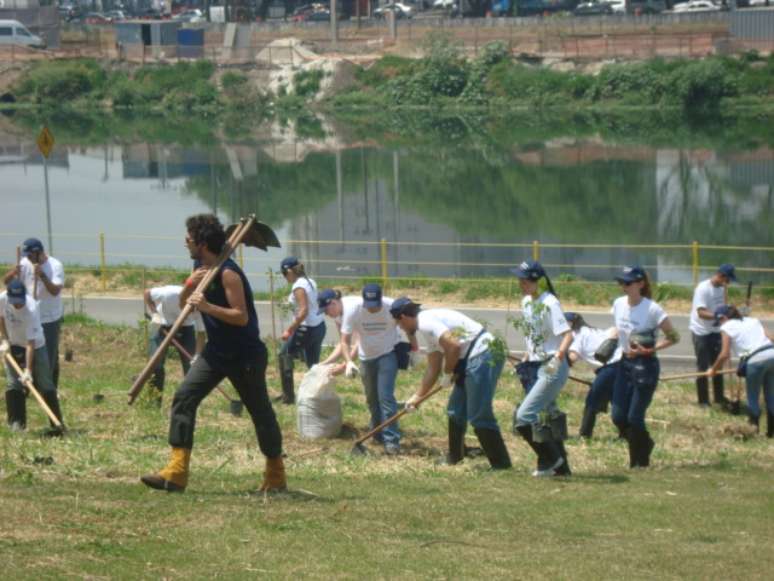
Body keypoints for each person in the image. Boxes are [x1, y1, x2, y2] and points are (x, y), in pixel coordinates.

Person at [141, 214, 285, 493]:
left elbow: (241, 317)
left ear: (203, 243)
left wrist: (208, 308)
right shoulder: (200, 266)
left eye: (189, 239)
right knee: (184, 396)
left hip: (244, 354)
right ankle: (177, 472)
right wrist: (189, 286)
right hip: (216, 352)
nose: (185, 243)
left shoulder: (229, 273)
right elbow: (186, 304)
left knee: (259, 411)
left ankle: (276, 473)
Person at [391, 298, 512, 470]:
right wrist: (417, 397)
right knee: (455, 411)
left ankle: (501, 464)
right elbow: (433, 368)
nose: (401, 328)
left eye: (399, 323)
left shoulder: (426, 321)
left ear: (403, 317)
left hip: (483, 354)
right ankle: (456, 455)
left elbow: (454, 346)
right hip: (469, 360)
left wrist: (448, 373)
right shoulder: (427, 330)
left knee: (478, 414)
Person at [611, 265, 679, 469]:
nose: (623, 286)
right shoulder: (618, 304)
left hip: (645, 365)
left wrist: (649, 350)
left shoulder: (652, 309)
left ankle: (639, 462)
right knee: (618, 415)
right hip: (624, 363)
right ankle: (645, 443)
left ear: (640, 284)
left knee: (634, 417)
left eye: (628, 283)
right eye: (621, 282)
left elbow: (674, 337)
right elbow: (619, 329)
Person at [511, 260, 573, 477]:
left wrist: (557, 357)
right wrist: (527, 356)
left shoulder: (550, 302)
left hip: (552, 365)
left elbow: (567, 335)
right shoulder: (527, 302)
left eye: (526, 280)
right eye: (520, 279)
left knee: (524, 416)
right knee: (547, 415)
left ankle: (551, 459)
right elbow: (532, 335)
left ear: (539, 280)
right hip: (535, 363)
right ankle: (562, 467)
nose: (522, 283)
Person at [338, 283, 402, 455]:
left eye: (375, 305)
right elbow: (344, 340)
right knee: (372, 399)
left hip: (387, 354)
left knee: (386, 398)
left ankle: (392, 441)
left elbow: (407, 320)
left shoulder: (391, 306)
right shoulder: (354, 310)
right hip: (366, 358)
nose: (372, 309)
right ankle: (377, 432)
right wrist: (349, 361)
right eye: (369, 305)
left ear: (381, 299)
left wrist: (413, 345)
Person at [0, 279, 64, 433]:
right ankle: (16, 424)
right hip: (12, 343)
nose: (17, 305)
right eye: (14, 302)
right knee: (13, 383)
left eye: (19, 302)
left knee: (45, 383)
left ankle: (56, 424)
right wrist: (4, 339)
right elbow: (0, 317)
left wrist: (28, 370)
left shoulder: (31, 308)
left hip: (36, 345)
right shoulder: (2, 299)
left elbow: (30, 343)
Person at [3, 238, 65, 388]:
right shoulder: (24, 263)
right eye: (26, 256)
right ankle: (29, 383)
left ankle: (48, 388)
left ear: (38, 252)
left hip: (48, 318)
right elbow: (6, 282)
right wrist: (13, 273)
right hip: (29, 316)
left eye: (30, 255)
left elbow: (55, 291)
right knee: (27, 350)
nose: (28, 258)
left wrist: (43, 276)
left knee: (48, 355)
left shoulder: (55, 266)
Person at [709, 305, 774, 437]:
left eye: (719, 321)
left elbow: (724, 354)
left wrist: (713, 370)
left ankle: (753, 430)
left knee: (752, 397)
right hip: (772, 354)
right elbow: (771, 337)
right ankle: (771, 433)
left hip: (755, 361)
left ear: (723, 318)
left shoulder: (726, 327)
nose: (720, 324)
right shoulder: (753, 320)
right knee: (771, 395)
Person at [144, 284, 205, 402]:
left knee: (191, 368)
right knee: (155, 365)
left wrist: (197, 355)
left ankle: (189, 401)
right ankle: (154, 401)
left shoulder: (200, 307)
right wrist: (154, 313)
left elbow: (201, 333)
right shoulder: (169, 294)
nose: (193, 312)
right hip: (162, 326)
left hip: (186, 329)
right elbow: (147, 293)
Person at [277, 257, 326, 404]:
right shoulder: (310, 281)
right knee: (313, 364)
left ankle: (288, 396)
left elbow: (303, 311)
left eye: (284, 274)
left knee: (284, 355)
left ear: (290, 271)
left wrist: (289, 330)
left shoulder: (298, 286)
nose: (284, 277)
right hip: (319, 326)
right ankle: (318, 394)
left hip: (306, 329)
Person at [565, 312, 621, 439]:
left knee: (592, 400)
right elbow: (615, 330)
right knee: (617, 401)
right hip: (623, 363)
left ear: (571, 324)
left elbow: (572, 357)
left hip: (610, 367)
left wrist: (556, 363)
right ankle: (626, 434)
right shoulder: (593, 331)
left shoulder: (578, 335)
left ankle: (585, 434)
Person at [689, 264, 735, 408]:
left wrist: (732, 311)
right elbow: (701, 312)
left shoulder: (722, 289)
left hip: (716, 331)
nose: (728, 283)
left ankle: (719, 397)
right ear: (721, 276)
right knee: (703, 366)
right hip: (701, 331)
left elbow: (724, 307)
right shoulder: (703, 289)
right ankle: (703, 400)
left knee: (718, 365)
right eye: (727, 280)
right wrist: (717, 315)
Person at [317, 288, 360, 376]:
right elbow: (343, 343)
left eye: (326, 310)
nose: (325, 314)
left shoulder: (351, 309)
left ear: (333, 303)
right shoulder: (337, 314)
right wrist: (324, 364)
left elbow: (360, 344)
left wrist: (344, 366)